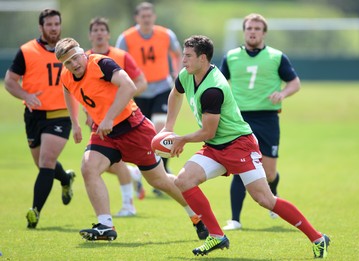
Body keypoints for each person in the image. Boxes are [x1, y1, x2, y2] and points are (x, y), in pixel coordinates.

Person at [163, 35, 330, 258]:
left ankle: (317, 238)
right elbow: (175, 94)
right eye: (183, 55)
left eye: (188, 56)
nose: (183, 60)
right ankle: (217, 236)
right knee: (184, 181)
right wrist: (168, 127)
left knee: (264, 199)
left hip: (239, 145)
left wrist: (181, 139)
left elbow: (208, 131)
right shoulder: (186, 75)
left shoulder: (214, 89)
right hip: (215, 147)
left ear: (203, 58)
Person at [54, 37, 208, 241]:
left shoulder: (101, 63)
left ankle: (197, 215)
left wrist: (108, 117)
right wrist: (74, 122)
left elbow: (129, 86)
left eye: (75, 58)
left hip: (133, 128)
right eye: (67, 62)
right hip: (105, 133)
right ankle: (105, 225)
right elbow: (67, 90)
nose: (73, 64)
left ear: (83, 53)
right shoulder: (66, 75)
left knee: (159, 181)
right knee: (88, 167)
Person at [219, 13, 301, 230]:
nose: (252, 32)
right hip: (239, 119)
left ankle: (273, 196)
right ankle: (235, 219)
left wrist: (283, 94)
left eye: (257, 28)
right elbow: (218, 83)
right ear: (244, 31)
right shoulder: (231, 57)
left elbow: (295, 83)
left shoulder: (277, 57)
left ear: (264, 33)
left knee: (269, 172)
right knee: (241, 165)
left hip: (268, 118)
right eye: (249, 28)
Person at [4, 9, 75, 229]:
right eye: (49, 24)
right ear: (41, 27)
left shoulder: (71, 51)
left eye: (57, 24)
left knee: (46, 161)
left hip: (60, 115)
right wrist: (26, 95)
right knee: (43, 164)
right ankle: (65, 179)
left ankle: (35, 212)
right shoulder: (26, 51)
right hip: (34, 116)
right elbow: (10, 81)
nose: (54, 28)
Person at [115, 2, 182, 192]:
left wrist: (176, 74)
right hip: (138, 90)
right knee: (141, 135)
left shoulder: (166, 34)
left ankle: (164, 171)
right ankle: (145, 174)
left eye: (149, 15)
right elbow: (118, 62)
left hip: (162, 88)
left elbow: (177, 54)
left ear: (154, 17)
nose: (146, 18)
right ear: (137, 18)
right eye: (142, 16)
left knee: (160, 130)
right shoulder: (126, 38)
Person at [87, 17, 147, 217]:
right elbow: (81, 91)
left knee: (114, 162)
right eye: (95, 30)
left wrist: (121, 101)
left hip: (122, 119)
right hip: (97, 120)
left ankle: (128, 205)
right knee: (105, 165)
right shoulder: (83, 60)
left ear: (108, 34)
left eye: (102, 29)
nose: (99, 33)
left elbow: (140, 82)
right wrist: (88, 114)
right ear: (90, 35)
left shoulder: (121, 56)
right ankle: (133, 174)